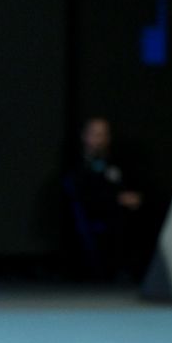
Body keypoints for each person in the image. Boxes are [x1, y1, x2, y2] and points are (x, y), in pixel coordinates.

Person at [63, 117, 146, 282]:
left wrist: (133, 198)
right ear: (84, 136)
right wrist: (116, 200)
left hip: (121, 217)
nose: (100, 140)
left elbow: (128, 187)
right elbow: (81, 196)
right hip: (92, 219)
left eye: (104, 135)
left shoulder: (116, 164)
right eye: (95, 134)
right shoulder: (75, 166)